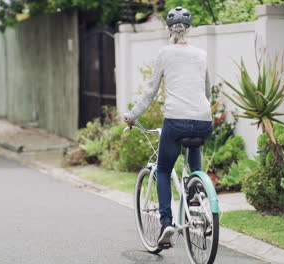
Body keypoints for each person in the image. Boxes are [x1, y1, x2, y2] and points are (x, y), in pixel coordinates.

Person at [123, 6, 213, 248]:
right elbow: (207, 91)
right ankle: (197, 202)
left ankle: (166, 223)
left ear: (169, 31)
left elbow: (150, 92)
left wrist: (131, 116)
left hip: (176, 121)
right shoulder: (201, 55)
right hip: (204, 120)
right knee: (194, 162)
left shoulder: (165, 53)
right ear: (189, 30)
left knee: (163, 170)